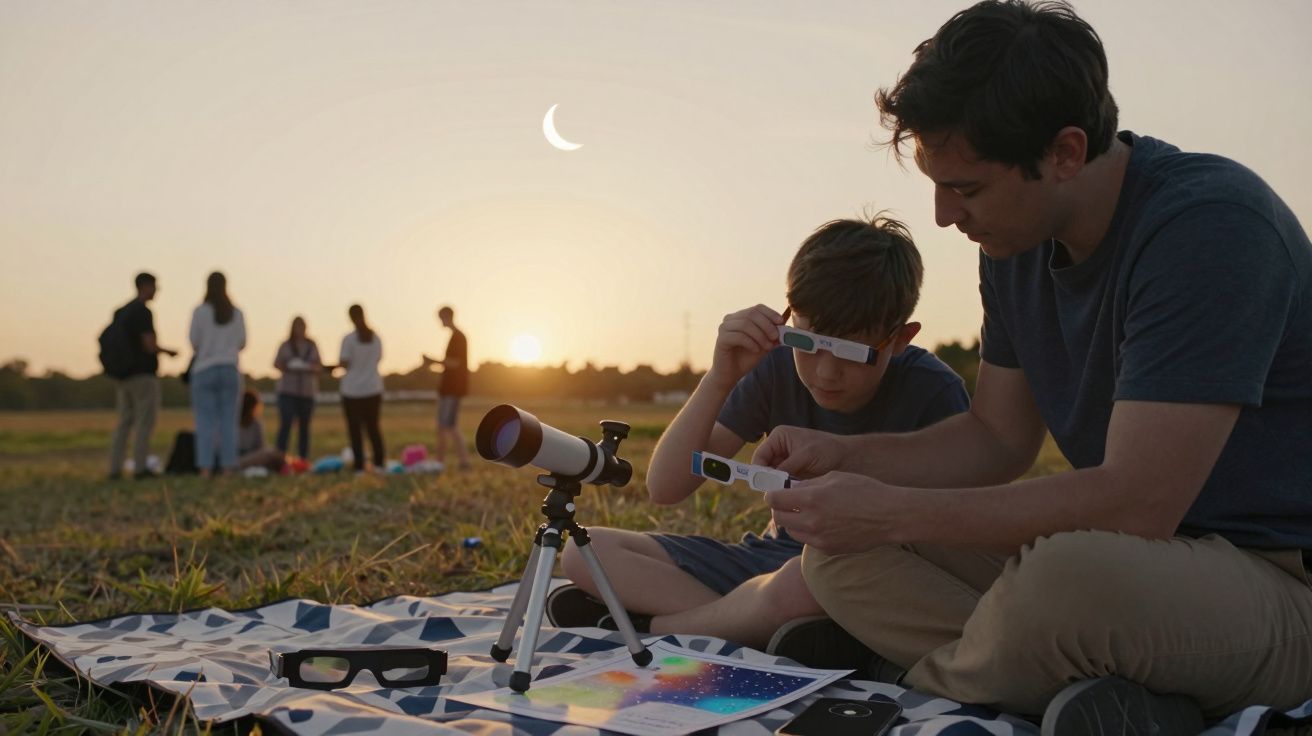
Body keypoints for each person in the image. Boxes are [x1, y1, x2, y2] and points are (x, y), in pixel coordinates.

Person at [751, 3, 1312, 734]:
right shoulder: (1012, 250)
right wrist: (849, 459)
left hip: (1278, 578)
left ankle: (921, 675)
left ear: (1066, 153)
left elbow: (1139, 505)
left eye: (968, 188)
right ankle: (1084, 690)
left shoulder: (1210, 226)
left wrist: (890, 509)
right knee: (839, 555)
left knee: (1062, 582)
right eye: (935, 183)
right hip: (1141, 565)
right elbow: (994, 439)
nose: (945, 215)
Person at [551, 216, 970, 654]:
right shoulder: (776, 367)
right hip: (767, 563)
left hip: (862, 574)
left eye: (853, 352)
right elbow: (665, 486)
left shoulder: (933, 391)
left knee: (803, 585)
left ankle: (652, 628)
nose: (826, 372)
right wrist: (719, 376)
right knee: (585, 550)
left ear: (900, 338)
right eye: (808, 343)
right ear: (787, 319)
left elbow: (955, 540)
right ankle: (752, 626)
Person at [106, 272, 179, 479]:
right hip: (142, 375)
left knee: (123, 422)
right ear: (145, 286)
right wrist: (167, 352)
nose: (157, 291)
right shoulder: (143, 312)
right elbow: (149, 345)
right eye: (155, 286)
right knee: (144, 422)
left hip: (123, 376)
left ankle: (115, 467)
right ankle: (140, 467)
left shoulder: (121, 312)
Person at [188, 271, 246, 478]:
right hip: (229, 368)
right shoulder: (236, 313)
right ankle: (228, 467)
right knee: (228, 421)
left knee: (205, 422)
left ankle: (205, 468)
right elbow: (242, 342)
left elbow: (194, 341)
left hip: (204, 369)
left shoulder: (200, 312)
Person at [335, 304, 385, 473]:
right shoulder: (376, 338)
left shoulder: (348, 339)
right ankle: (379, 464)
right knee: (373, 429)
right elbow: (378, 359)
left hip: (352, 391)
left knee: (355, 431)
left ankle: (359, 467)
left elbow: (344, 363)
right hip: (373, 388)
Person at [422, 305, 472, 469]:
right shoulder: (455, 337)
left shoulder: (458, 337)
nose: (439, 322)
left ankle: (453, 462)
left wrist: (432, 361)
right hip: (448, 388)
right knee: (446, 426)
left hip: (452, 389)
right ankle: (445, 461)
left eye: (440, 318)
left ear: (447, 317)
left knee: (447, 426)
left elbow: (454, 363)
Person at [273, 316, 322, 460]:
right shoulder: (285, 345)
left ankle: (303, 458)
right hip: (288, 391)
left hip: (307, 392)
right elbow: (276, 364)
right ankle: (279, 458)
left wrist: (309, 367)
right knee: (285, 424)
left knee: (304, 428)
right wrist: (289, 365)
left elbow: (320, 366)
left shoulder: (312, 345)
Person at [237, 389, 285, 471]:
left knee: (273, 453)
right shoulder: (232, 422)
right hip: (237, 458)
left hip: (252, 456)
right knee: (271, 454)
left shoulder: (256, 423)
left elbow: (261, 447)